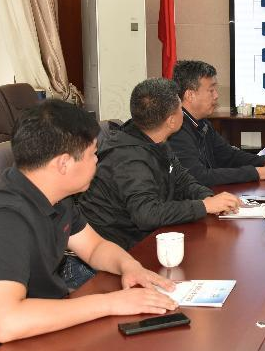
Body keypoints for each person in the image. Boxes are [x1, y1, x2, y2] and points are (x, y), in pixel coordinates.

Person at [0, 100, 179, 351]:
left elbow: (95, 247)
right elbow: (7, 322)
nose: (97, 161)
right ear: (63, 163)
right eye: (93, 154)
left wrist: (130, 267)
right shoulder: (3, 218)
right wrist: (110, 303)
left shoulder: (55, 195)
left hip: (41, 339)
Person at [77, 78, 241, 268]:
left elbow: (183, 180)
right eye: (180, 108)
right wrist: (204, 206)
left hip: (142, 243)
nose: (183, 112)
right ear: (171, 121)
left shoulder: (155, 138)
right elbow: (147, 214)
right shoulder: (129, 159)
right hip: (113, 257)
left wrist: (210, 198)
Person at [169, 60, 265, 186]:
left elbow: (229, 155)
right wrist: (256, 173)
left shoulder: (202, 123)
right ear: (190, 95)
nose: (216, 95)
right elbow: (198, 177)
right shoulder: (176, 130)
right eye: (211, 90)